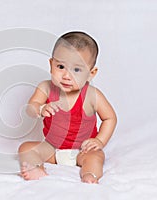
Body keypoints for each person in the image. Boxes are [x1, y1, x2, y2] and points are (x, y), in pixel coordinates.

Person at [18, 31, 117, 184]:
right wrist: (40, 109)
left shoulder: (92, 95)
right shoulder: (45, 88)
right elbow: (30, 108)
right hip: (52, 149)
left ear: (91, 73)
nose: (66, 76)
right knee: (25, 148)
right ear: (51, 65)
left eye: (76, 70)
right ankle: (37, 169)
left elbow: (110, 118)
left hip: (83, 151)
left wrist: (99, 141)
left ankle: (90, 175)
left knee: (96, 157)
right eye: (61, 66)